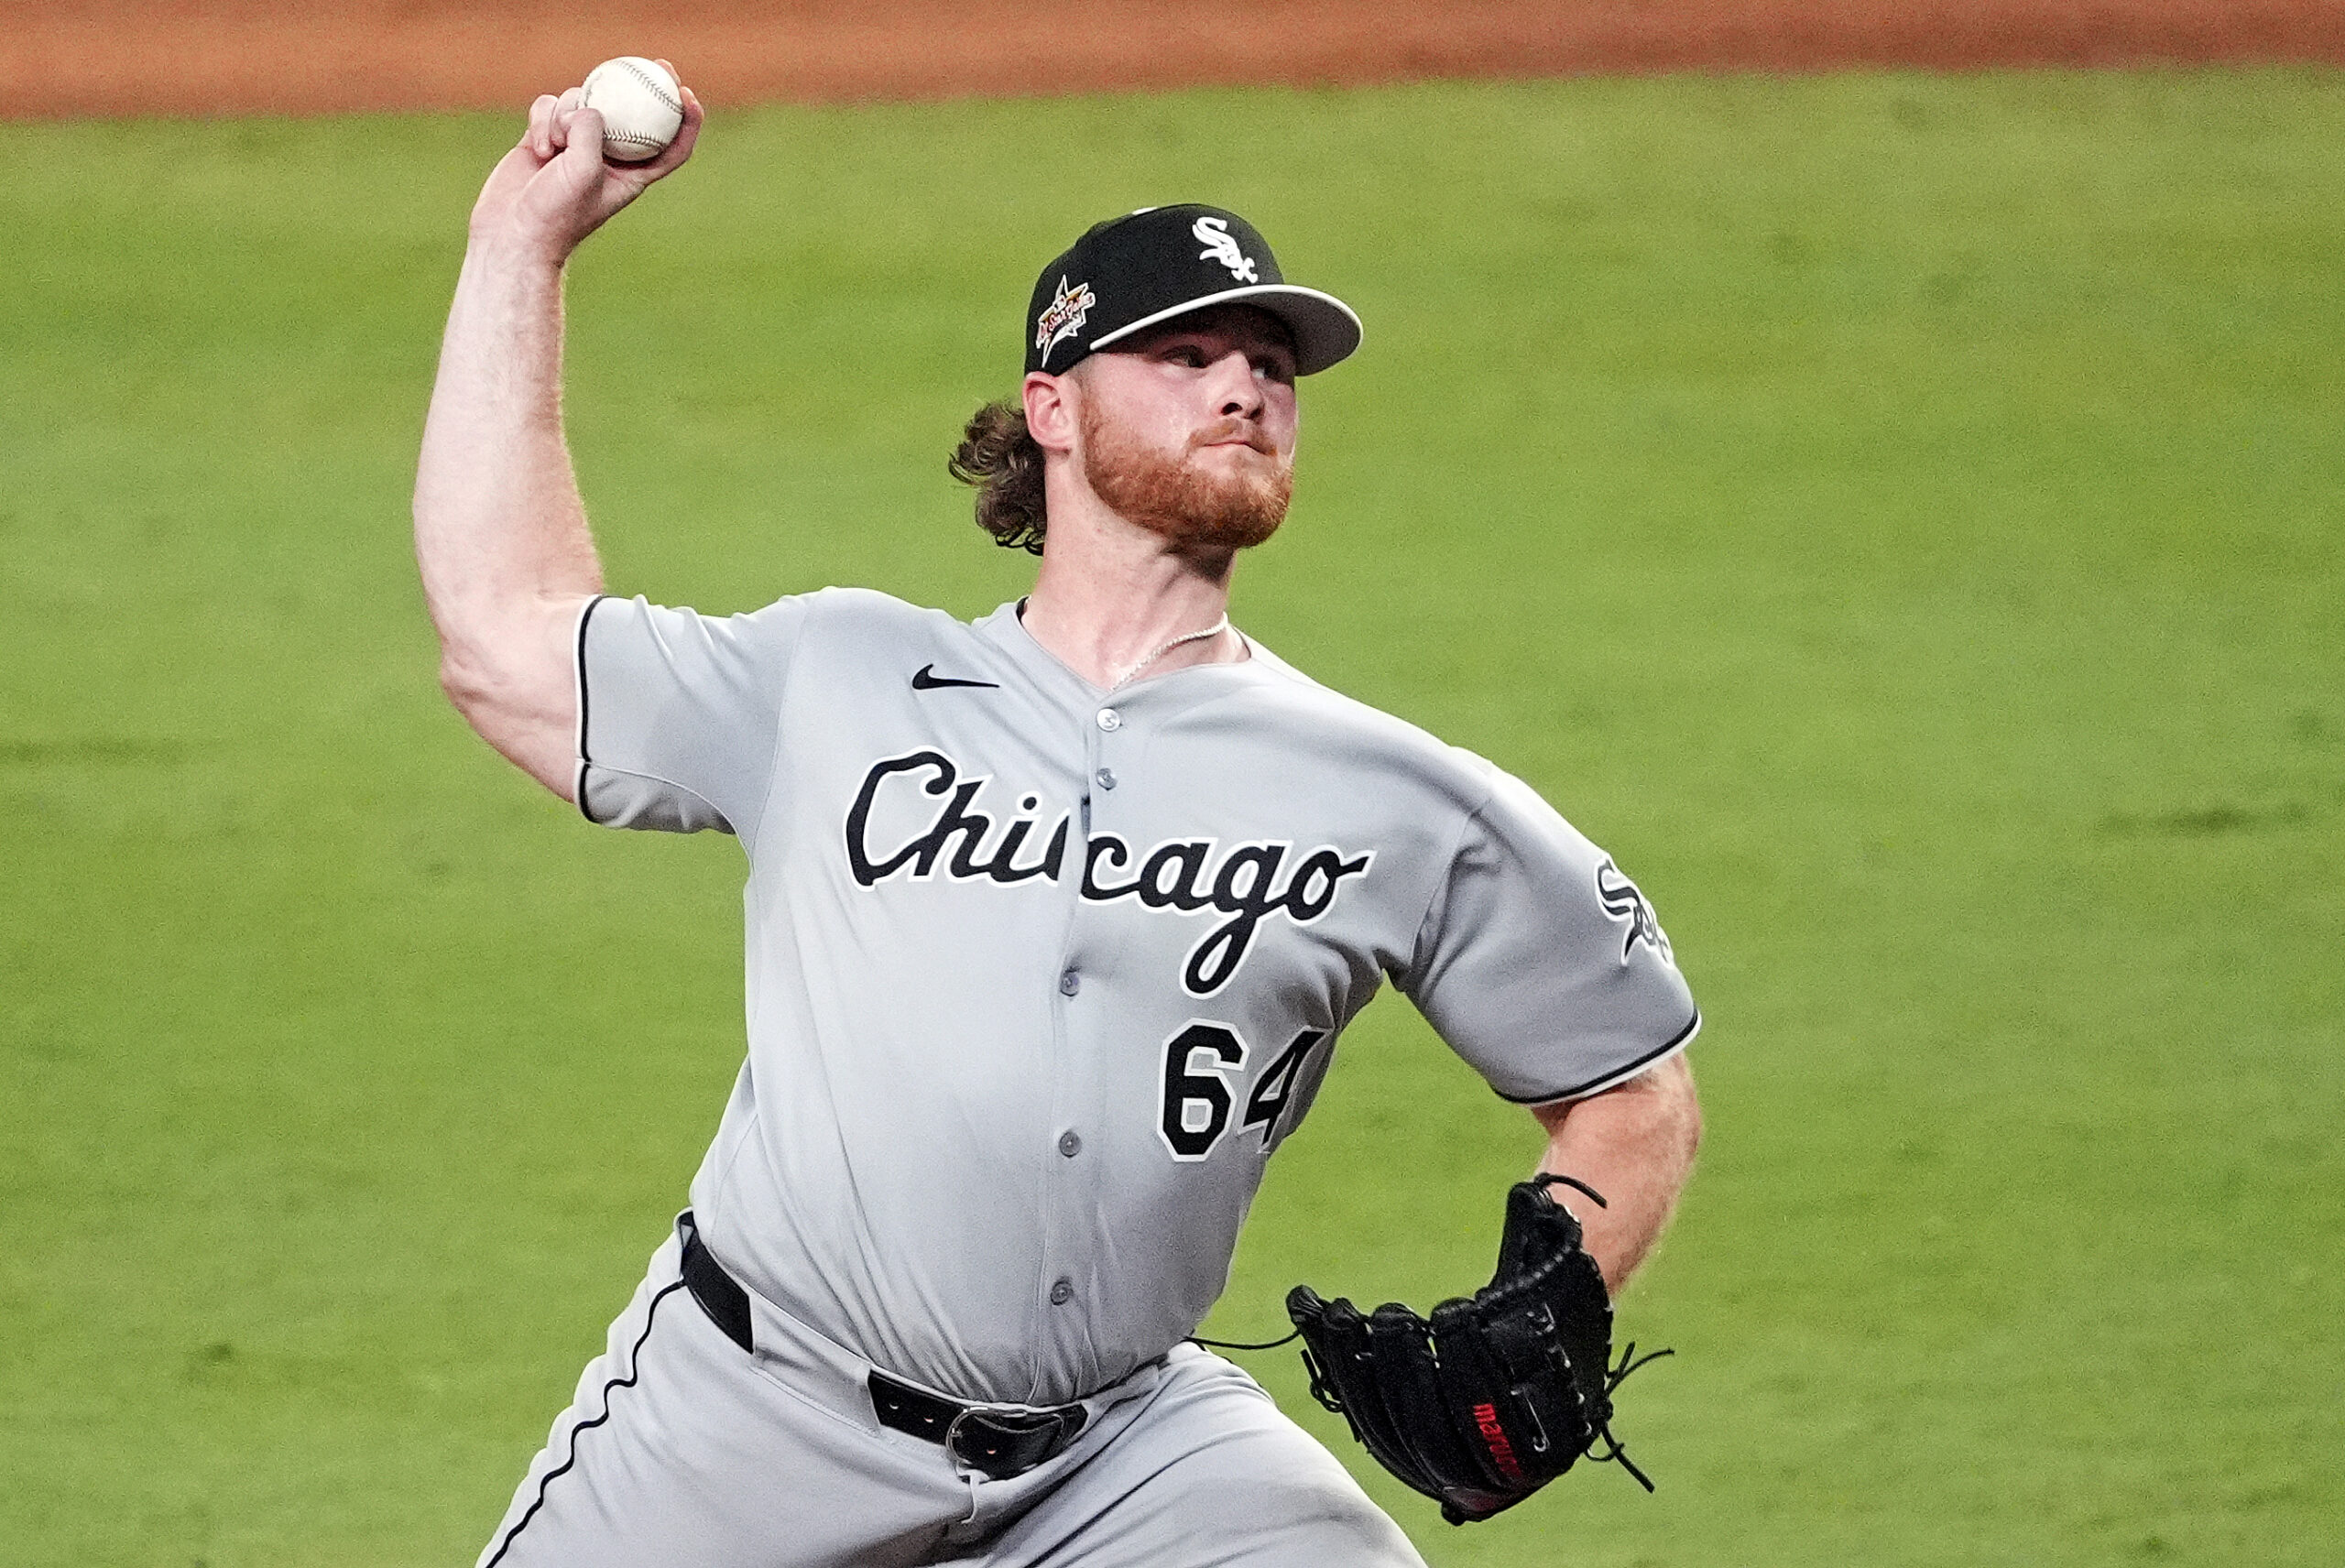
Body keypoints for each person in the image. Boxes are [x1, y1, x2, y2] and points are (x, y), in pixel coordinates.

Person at [415, 71, 1703, 1568]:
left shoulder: (1394, 794)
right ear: (1053, 409)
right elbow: (508, 639)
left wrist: (1566, 1281)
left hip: (1128, 1453)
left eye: (1270, 365)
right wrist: (522, 243)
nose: (1244, 387)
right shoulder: (838, 675)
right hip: (752, 1417)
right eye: (1184, 352)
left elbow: (1630, 1073)